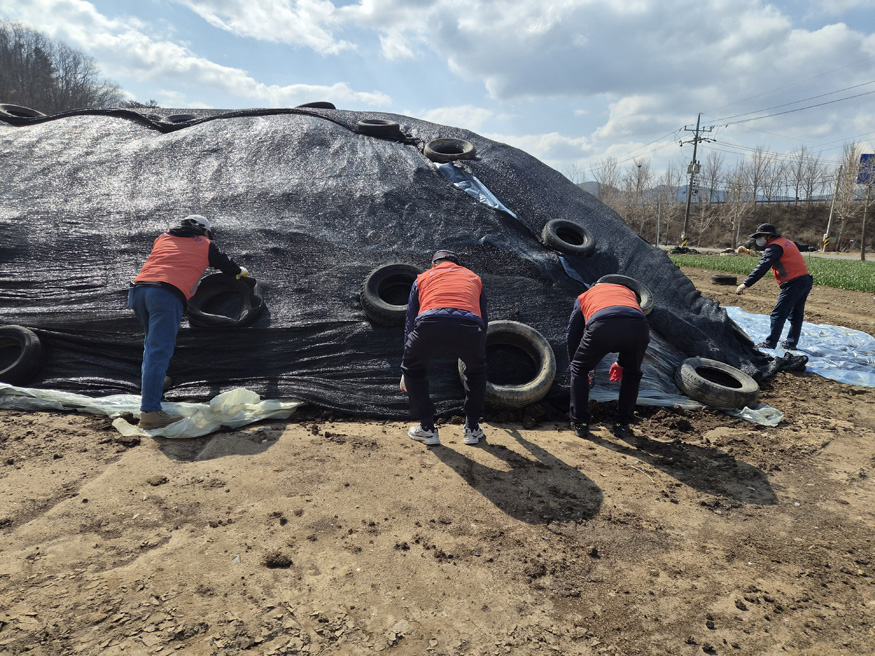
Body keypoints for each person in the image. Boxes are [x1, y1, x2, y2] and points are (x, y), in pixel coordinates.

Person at [129, 215, 249, 429]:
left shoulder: (163, 238)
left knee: (152, 346)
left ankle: (156, 383)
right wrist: (242, 273)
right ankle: (150, 412)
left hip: (139, 291)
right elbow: (229, 267)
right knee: (158, 351)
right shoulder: (205, 244)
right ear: (203, 231)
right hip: (165, 296)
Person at [401, 250, 488, 446]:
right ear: (458, 265)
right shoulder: (474, 278)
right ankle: (472, 428)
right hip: (469, 328)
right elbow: (484, 318)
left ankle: (427, 429)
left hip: (429, 325)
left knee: (413, 371)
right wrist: (479, 350)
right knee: (477, 373)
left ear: (434, 264)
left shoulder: (422, 278)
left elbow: (410, 320)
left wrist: (407, 359)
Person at [566, 281, 650, 438]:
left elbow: (573, 333)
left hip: (602, 326)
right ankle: (621, 424)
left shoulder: (585, 296)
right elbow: (625, 322)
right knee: (632, 374)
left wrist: (577, 365)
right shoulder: (627, 291)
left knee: (579, 369)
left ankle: (581, 423)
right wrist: (621, 363)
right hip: (639, 326)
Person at [735, 223, 813, 351]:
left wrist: (745, 284)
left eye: (760, 236)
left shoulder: (774, 247)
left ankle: (770, 343)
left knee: (778, 314)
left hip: (793, 283)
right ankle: (791, 343)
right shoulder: (786, 242)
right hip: (805, 280)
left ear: (767, 236)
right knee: (796, 315)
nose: (758, 239)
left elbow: (762, 266)